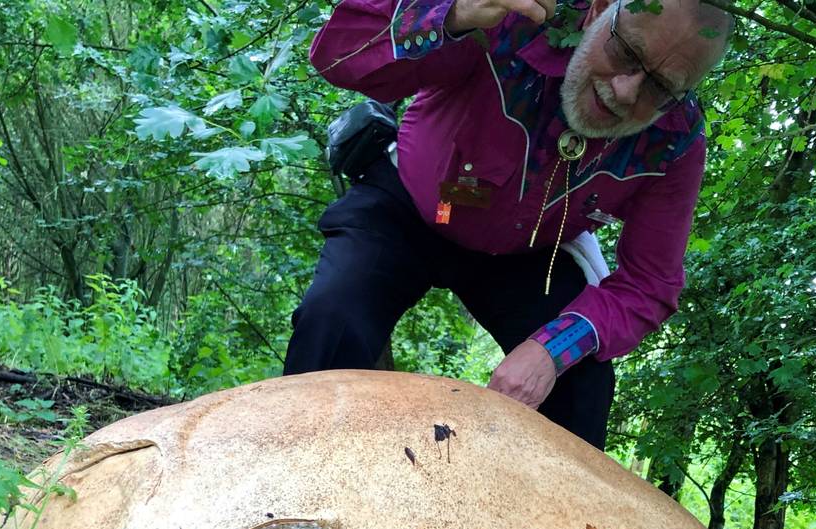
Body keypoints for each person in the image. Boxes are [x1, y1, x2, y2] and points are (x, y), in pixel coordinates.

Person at [286, 0, 733, 450]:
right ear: (599, 10)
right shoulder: (510, 20)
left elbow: (650, 283)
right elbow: (334, 55)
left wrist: (551, 351)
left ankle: (559, 518)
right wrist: (451, 14)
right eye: (626, 53)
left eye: (661, 87)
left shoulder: (674, 143)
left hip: (525, 251)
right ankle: (295, 484)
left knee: (581, 384)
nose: (625, 91)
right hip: (406, 206)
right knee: (331, 319)